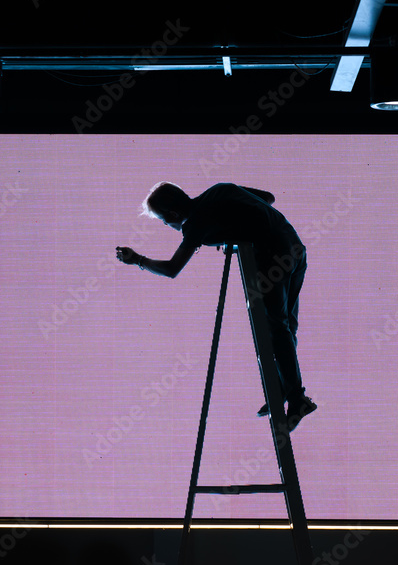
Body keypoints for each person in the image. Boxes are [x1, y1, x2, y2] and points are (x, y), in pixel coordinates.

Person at [116, 182, 317, 432]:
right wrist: (232, 228)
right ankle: (285, 390)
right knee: (286, 326)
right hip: (294, 248)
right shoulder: (217, 190)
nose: (168, 226)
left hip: (272, 255)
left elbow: (172, 269)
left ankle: (297, 398)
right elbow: (267, 197)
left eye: (164, 221)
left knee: (276, 328)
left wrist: (138, 260)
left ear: (173, 215)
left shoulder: (197, 224)